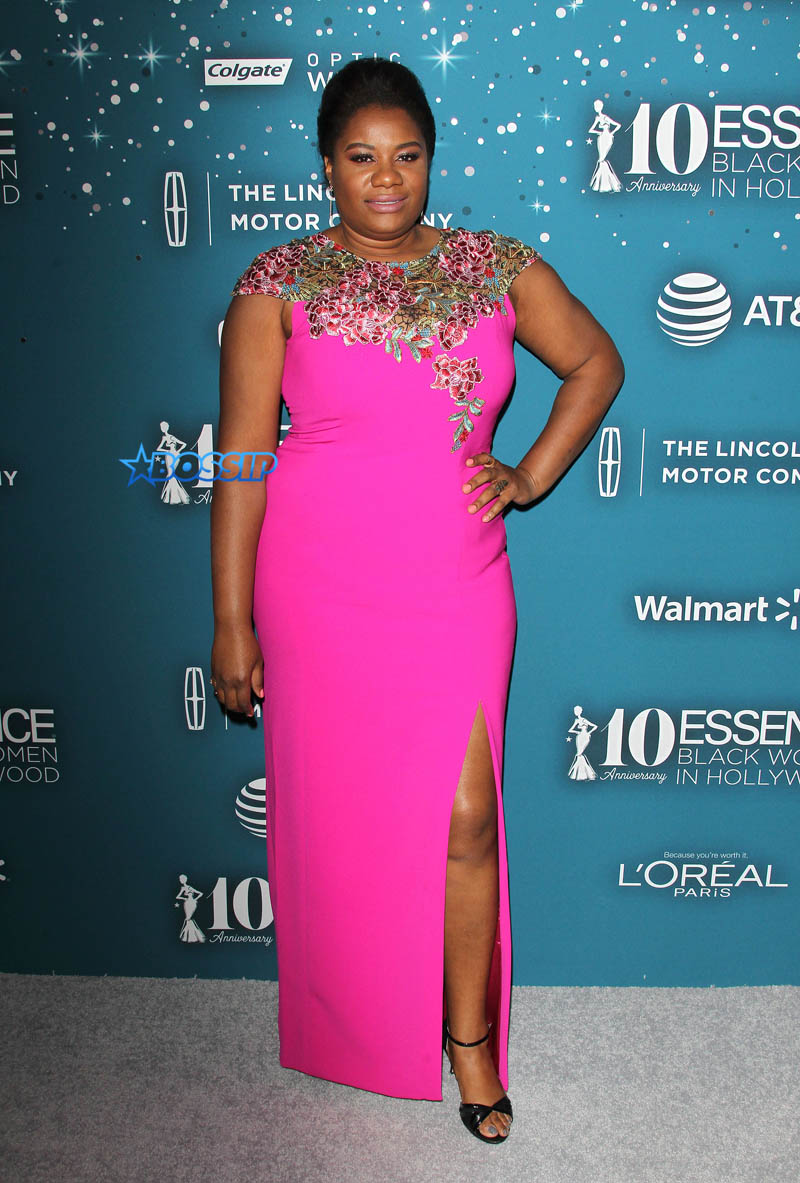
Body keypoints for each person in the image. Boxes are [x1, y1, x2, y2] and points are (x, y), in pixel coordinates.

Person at [210, 57, 624, 1145]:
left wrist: (528, 474)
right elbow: (242, 461)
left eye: (406, 156)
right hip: (317, 581)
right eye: (361, 157)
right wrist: (230, 619)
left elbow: (595, 362)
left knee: (468, 815)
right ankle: (356, 1024)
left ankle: (470, 1040)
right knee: (342, 817)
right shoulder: (275, 283)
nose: (385, 178)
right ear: (326, 167)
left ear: (432, 159)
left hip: (455, 576)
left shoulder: (495, 268)